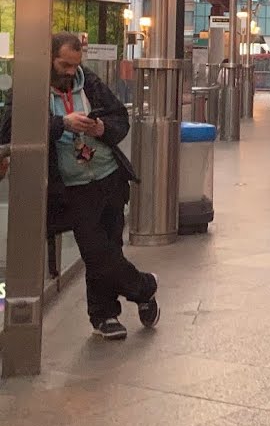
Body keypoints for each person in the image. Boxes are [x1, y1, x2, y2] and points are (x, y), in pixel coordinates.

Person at [0, 33, 159, 340]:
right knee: (95, 252)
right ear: (48, 60)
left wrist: (101, 127)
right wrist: (63, 124)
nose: (71, 71)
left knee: (110, 248)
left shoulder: (91, 84)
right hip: (73, 187)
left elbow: (120, 120)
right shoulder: (30, 91)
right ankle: (144, 288)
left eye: (75, 65)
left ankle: (104, 316)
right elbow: (13, 132)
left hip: (109, 177)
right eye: (64, 64)